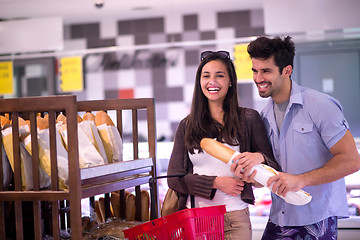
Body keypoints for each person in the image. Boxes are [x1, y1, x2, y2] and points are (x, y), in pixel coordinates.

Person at [233, 35, 360, 239]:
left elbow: (352, 161)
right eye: (255, 71)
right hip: (279, 219)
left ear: (287, 70)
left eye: (266, 71)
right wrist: (254, 176)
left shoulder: (320, 106)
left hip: (317, 221)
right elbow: (273, 173)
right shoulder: (263, 117)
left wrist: (301, 180)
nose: (258, 78)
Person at [167, 50, 280, 239]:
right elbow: (174, 178)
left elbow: (272, 168)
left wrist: (256, 162)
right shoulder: (187, 125)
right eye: (206, 76)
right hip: (196, 219)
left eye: (220, 75)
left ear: (230, 81)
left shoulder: (249, 118)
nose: (212, 81)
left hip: (234, 218)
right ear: (199, 82)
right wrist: (215, 183)